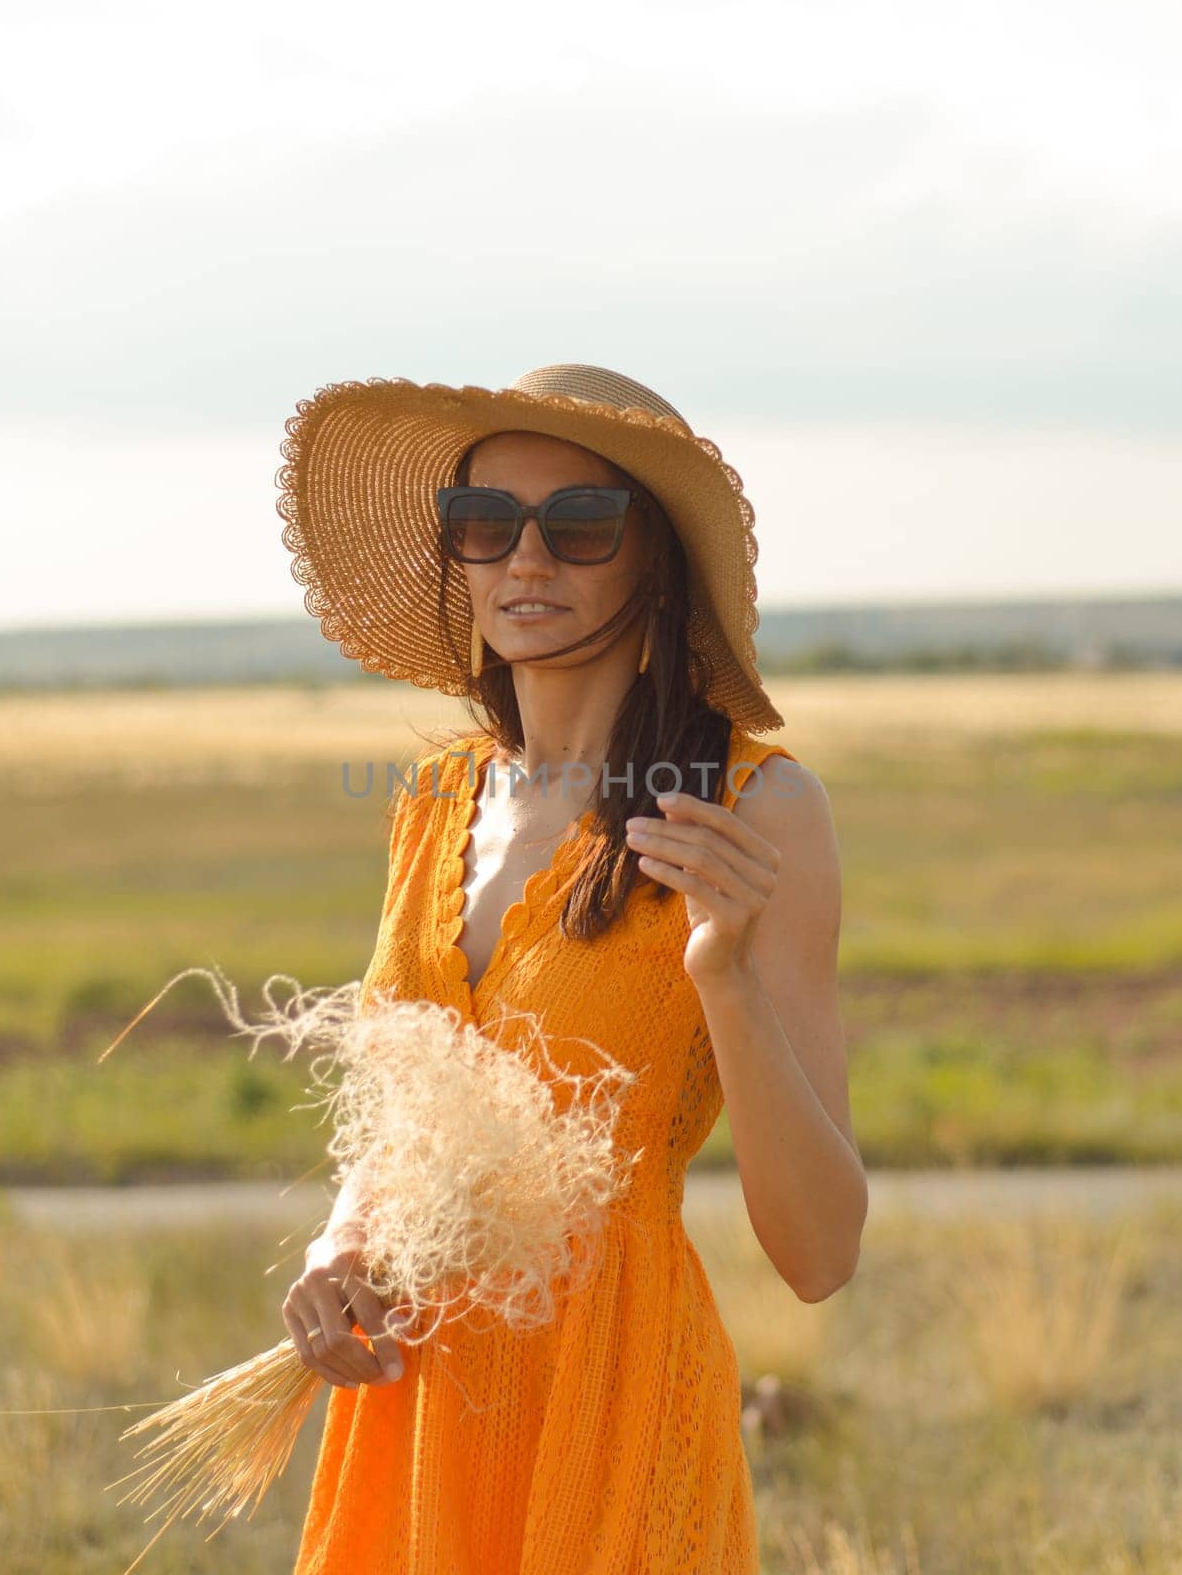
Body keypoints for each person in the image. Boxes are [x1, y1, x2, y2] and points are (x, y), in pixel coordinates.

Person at [275, 364, 867, 1573]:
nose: (524, 562)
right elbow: (406, 1122)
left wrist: (727, 981)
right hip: (418, 1402)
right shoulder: (434, 798)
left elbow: (820, 1254)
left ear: (653, 559)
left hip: (614, 1401)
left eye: (580, 525)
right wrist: (340, 1243)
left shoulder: (759, 809)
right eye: (485, 525)